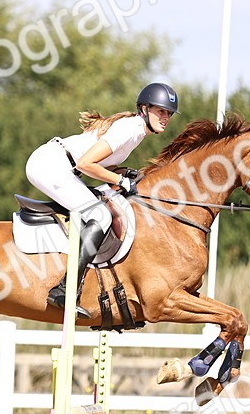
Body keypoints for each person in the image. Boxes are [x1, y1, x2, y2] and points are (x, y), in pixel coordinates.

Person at [25, 82, 179, 317]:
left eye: (168, 113)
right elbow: (86, 164)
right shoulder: (130, 129)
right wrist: (121, 182)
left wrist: (124, 174)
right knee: (100, 214)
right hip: (50, 165)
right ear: (144, 109)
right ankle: (64, 290)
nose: (165, 117)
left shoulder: (137, 132)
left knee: (107, 205)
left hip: (61, 167)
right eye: (161, 111)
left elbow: (102, 165)